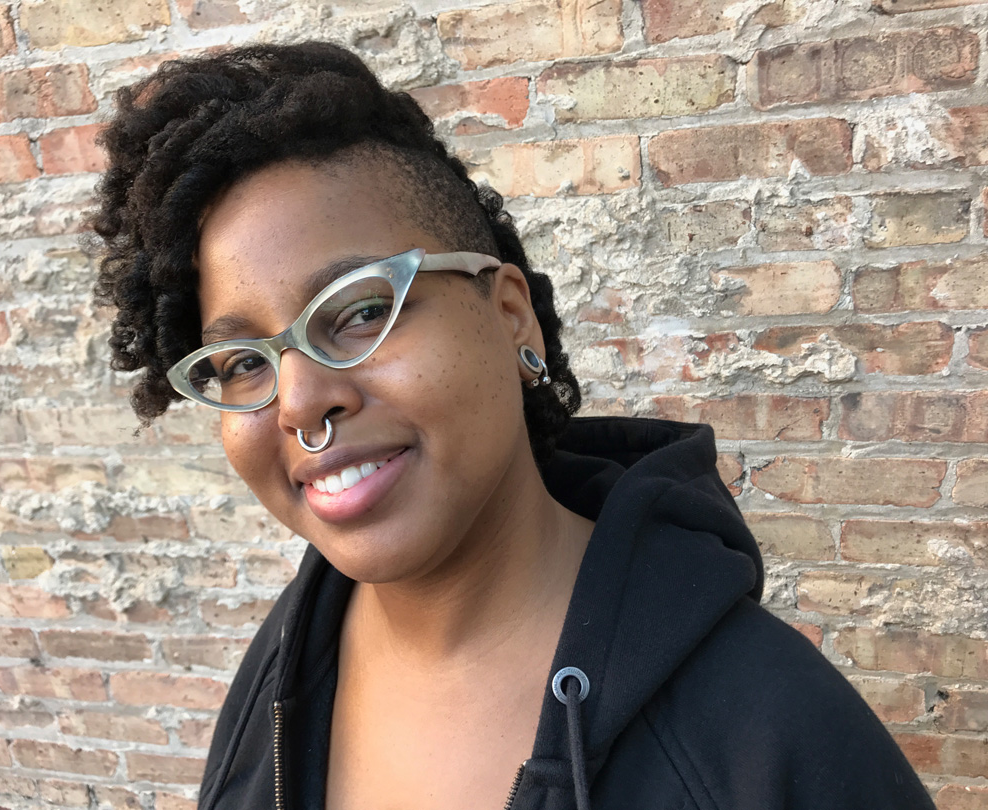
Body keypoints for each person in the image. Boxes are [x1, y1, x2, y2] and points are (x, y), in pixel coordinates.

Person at [89, 42, 936, 810]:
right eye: (242, 363)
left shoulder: (771, 732)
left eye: (359, 311)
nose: (301, 400)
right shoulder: (287, 664)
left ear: (509, 318)